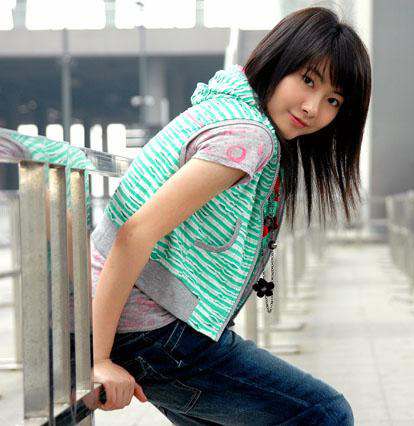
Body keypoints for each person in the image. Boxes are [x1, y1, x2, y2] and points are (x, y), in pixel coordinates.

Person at [91, 6, 371, 425]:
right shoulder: (248, 136)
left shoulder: (229, 111)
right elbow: (135, 233)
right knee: (325, 413)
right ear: (278, 62)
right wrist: (99, 358)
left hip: (141, 324)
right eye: (308, 80)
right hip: (151, 333)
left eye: (333, 100)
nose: (313, 107)